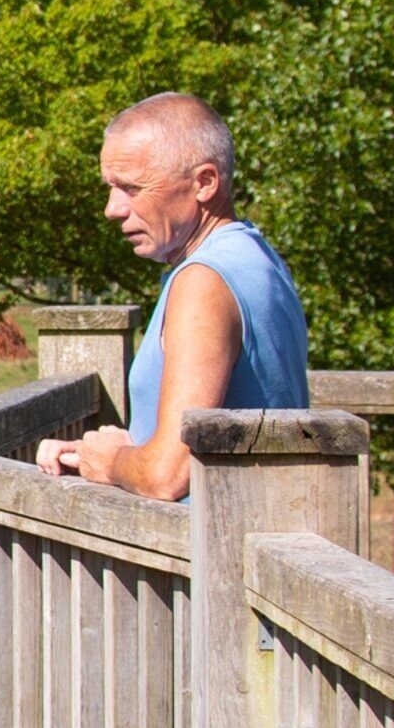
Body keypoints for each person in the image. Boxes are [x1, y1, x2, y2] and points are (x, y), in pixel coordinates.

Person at [34, 92, 312, 500]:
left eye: (131, 187)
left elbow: (169, 474)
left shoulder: (204, 282)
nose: (113, 208)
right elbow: (209, 440)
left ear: (204, 183)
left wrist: (113, 461)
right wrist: (100, 453)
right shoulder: (255, 256)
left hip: (213, 550)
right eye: (111, 188)